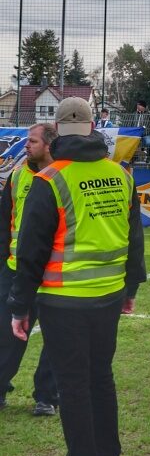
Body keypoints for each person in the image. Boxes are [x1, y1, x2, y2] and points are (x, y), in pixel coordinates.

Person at [9, 97, 146, 456]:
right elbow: (134, 238)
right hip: (106, 295)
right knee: (100, 377)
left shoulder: (50, 179)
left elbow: (31, 251)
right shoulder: (120, 174)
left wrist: (19, 305)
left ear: (59, 130)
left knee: (73, 385)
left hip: (64, 299)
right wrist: (130, 288)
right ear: (91, 127)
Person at [0, 123, 60, 416]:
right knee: (5, 334)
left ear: (49, 145)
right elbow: (4, 224)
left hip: (54, 274)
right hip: (15, 272)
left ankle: (46, 396)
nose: (26, 146)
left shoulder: (62, 178)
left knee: (55, 338)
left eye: (32, 141)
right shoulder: (17, 176)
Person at [135, 99, 150, 166]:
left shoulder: (149, 114)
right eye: (137, 105)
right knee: (129, 144)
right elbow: (132, 122)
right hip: (135, 134)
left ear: (143, 106)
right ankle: (134, 157)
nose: (137, 107)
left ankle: (148, 157)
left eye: (138, 105)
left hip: (146, 134)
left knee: (149, 144)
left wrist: (147, 131)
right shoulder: (135, 114)